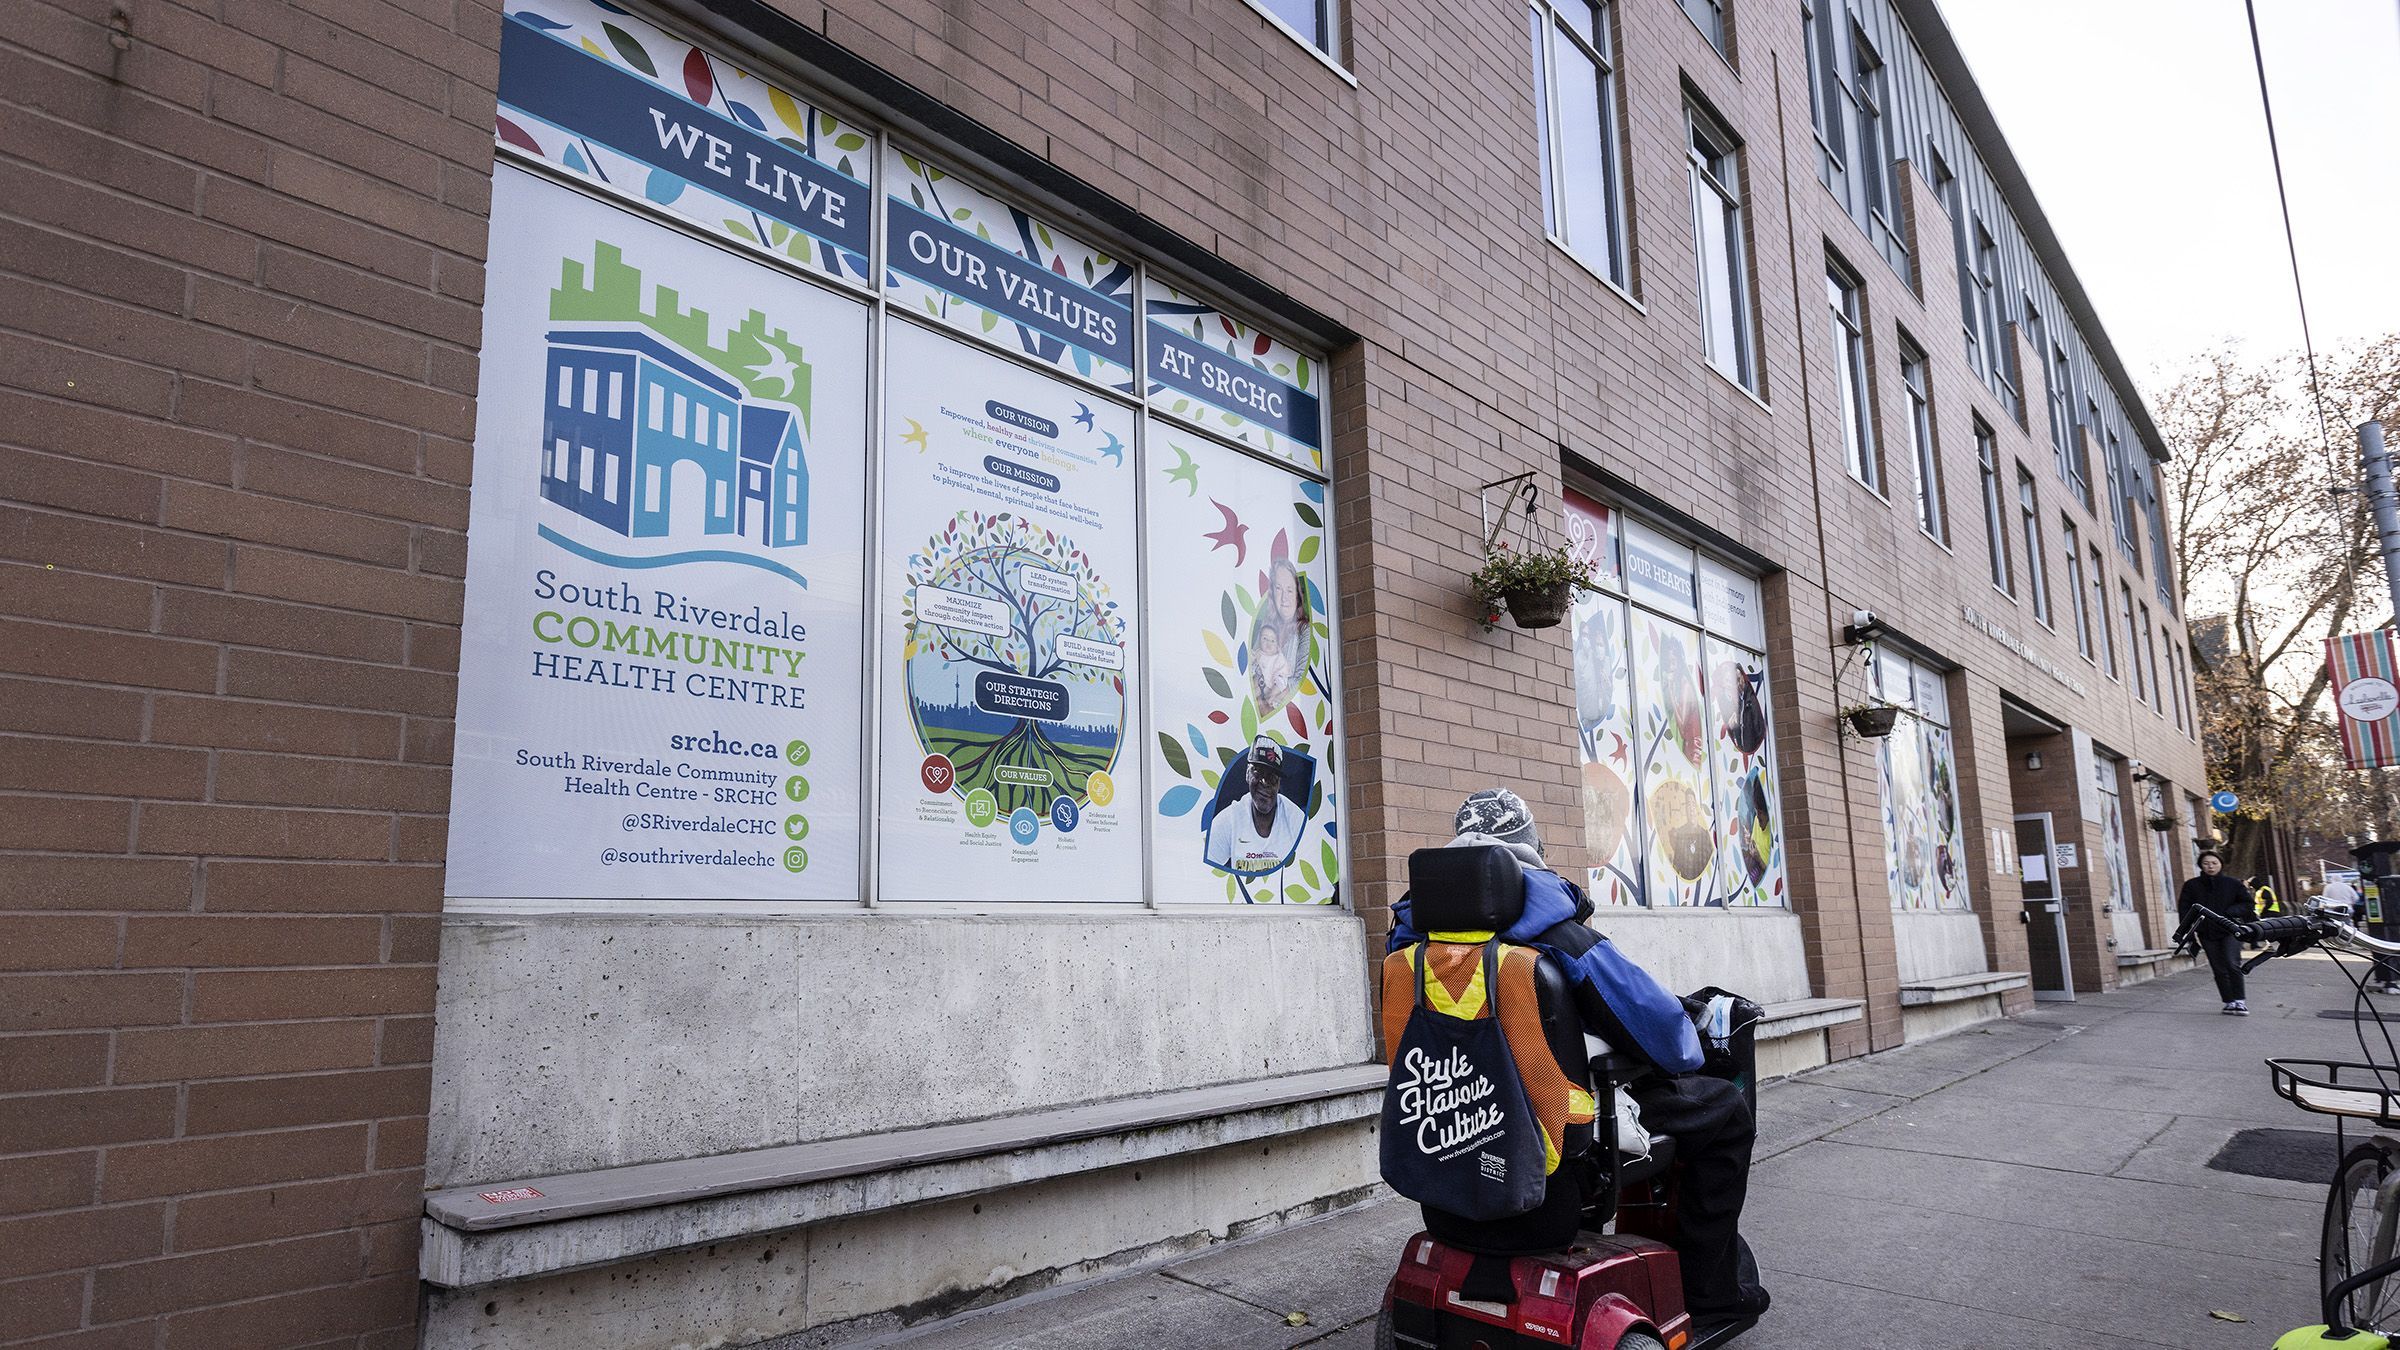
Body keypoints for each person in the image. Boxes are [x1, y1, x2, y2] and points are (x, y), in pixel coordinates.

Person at [1388, 788, 1770, 1320]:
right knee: (1724, 1111)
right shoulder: (1560, 938)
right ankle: (1710, 1294)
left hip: (1444, 1183)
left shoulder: (1407, 948)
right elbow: (1669, 1040)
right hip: (1550, 1178)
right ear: (1529, 852)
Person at [1203, 736, 1305, 873]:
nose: (1264, 782)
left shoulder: (1295, 818)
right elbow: (1203, 868)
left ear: (1279, 783)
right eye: (1258, 772)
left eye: (1272, 777)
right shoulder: (1231, 819)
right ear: (1247, 773)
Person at [2174, 850, 2256, 1014]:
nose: (2210, 866)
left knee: (2232, 963)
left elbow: (2248, 904)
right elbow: (2185, 910)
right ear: (2201, 866)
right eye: (2206, 863)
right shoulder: (2192, 885)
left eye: (2214, 863)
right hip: (2206, 932)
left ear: (2220, 864)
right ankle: (2228, 1001)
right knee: (2218, 967)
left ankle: (2240, 1001)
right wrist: (2186, 932)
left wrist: (2231, 911)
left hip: (2231, 930)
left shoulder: (2233, 884)